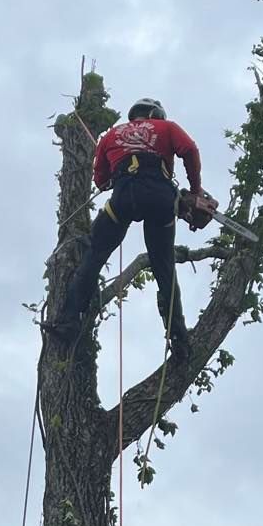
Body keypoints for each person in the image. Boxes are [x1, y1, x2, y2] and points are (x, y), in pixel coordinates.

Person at [47, 98, 204, 364]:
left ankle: (68, 321)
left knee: (94, 255)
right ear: (156, 114)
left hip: (124, 198)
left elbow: (100, 179)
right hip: (160, 198)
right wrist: (196, 189)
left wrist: (111, 174)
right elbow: (189, 149)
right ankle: (179, 341)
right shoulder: (166, 128)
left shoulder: (112, 135)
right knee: (164, 270)